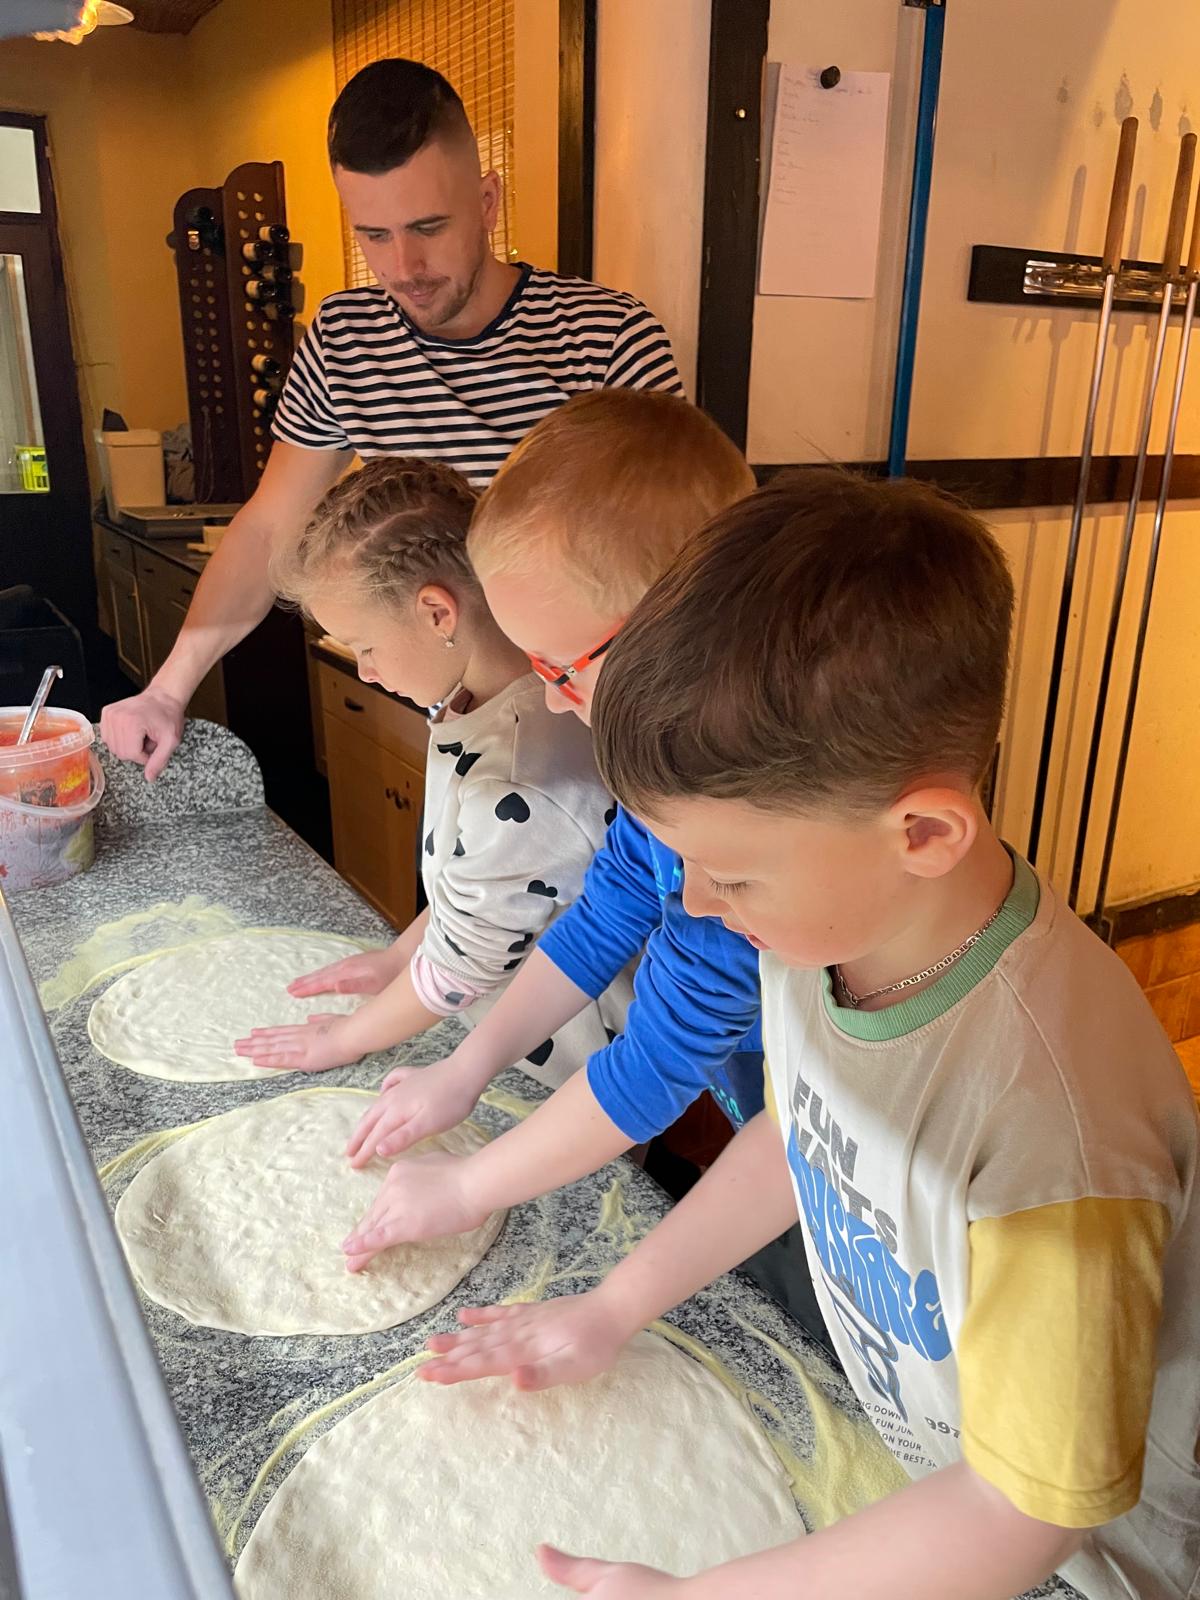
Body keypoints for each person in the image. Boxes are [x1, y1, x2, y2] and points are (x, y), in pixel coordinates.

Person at [380, 471, 1200, 1600]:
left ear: (922, 833)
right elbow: (806, 1135)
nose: (697, 904)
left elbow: (1027, 1512)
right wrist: (613, 1308)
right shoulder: (827, 929)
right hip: (927, 1490)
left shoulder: (1055, 1141)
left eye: (731, 873)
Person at [337, 390, 826, 1346]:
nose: (552, 701)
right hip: (777, 1131)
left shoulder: (742, 819)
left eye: (562, 667)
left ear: (675, 621)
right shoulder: (666, 772)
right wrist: (464, 1072)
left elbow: (658, 1061)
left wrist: (470, 1187)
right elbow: (604, 917)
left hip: (858, 1177)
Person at [101, 58, 681, 780]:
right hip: (451, 725)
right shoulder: (345, 338)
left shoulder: (608, 335)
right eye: (374, 235)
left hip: (599, 733)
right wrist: (167, 689)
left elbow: (669, 566)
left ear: (488, 201)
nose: (404, 267)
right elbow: (269, 530)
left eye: (428, 226)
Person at [232, 456, 628, 1086]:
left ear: (438, 613)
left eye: (364, 646)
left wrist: (343, 1037)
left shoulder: (521, 778)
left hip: (561, 1074)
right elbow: (473, 884)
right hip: (494, 1037)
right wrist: (398, 959)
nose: (364, 671)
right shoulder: (482, 700)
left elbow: (462, 968)